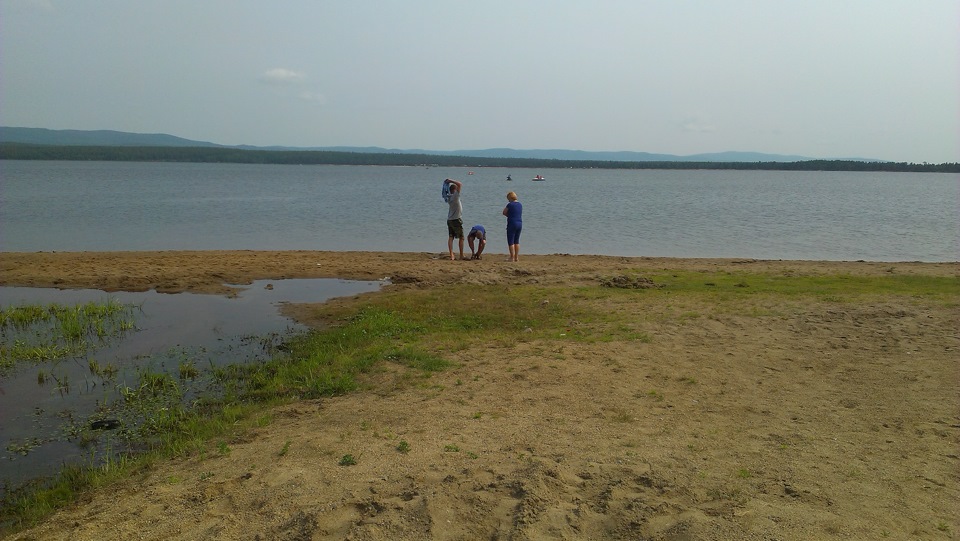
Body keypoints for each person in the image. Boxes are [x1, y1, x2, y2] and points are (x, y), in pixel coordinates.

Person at [444, 178, 465, 260]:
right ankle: (461, 255)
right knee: (461, 237)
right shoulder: (455, 196)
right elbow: (460, 184)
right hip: (456, 219)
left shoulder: (448, 197)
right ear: (454, 190)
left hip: (450, 219)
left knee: (451, 237)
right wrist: (450, 180)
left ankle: (451, 254)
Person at [502, 191, 522, 262]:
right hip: (519, 223)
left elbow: (504, 212)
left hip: (512, 223)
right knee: (517, 241)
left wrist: (509, 215)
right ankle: (516, 257)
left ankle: (511, 257)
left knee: (511, 241)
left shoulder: (510, 205)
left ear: (510, 198)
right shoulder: (520, 204)